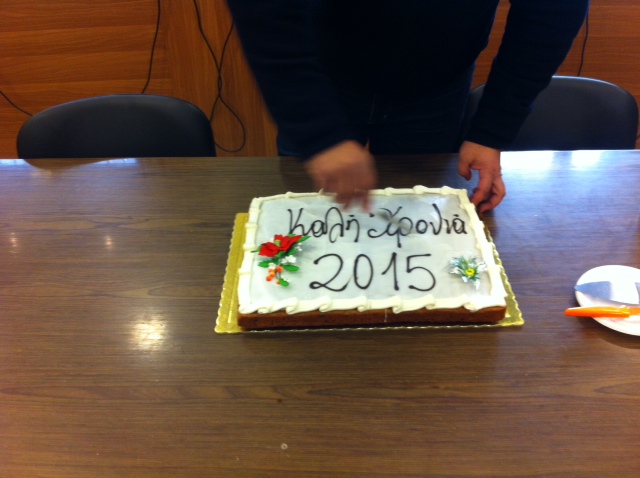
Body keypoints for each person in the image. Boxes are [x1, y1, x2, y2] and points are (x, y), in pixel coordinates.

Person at [226, 0, 589, 211]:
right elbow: (263, 12)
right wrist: (317, 132)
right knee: (308, 217)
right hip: (320, 79)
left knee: (416, 224)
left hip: (437, 84)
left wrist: (492, 130)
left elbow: (552, 14)